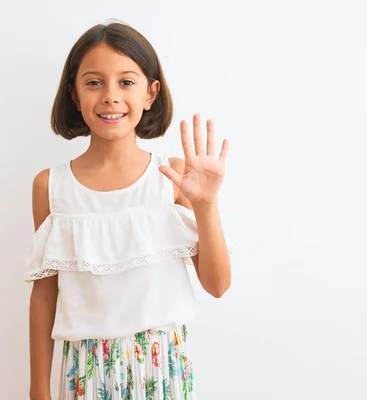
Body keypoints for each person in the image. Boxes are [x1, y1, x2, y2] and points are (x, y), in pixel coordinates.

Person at [25, 21, 232, 400]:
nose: (110, 96)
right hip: (84, 371)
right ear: (73, 93)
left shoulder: (173, 177)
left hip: (162, 364)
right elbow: (44, 293)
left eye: (126, 82)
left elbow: (217, 285)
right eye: (94, 82)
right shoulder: (50, 187)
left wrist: (206, 205)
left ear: (151, 93)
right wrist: (38, 388)